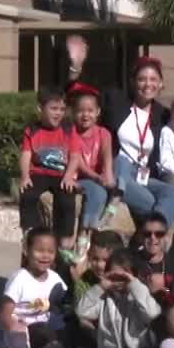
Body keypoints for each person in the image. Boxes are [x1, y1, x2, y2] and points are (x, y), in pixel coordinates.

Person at [69, 246, 162, 348]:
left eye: (123, 277)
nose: (118, 281)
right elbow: (82, 311)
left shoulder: (140, 298)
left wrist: (133, 284)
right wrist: (101, 286)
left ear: (134, 276)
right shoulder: (104, 299)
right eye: (114, 276)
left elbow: (153, 313)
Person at [103, 57, 174, 227]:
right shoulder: (117, 104)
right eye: (142, 79)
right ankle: (155, 226)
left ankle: (155, 229)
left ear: (160, 84)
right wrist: (74, 70)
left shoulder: (164, 115)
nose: (147, 84)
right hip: (118, 170)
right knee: (122, 163)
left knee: (173, 194)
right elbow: (82, 101)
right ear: (133, 82)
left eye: (153, 79)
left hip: (142, 176)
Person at [0, 227, 70, 348]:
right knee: (43, 331)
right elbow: (5, 314)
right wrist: (14, 328)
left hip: (44, 321)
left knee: (68, 327)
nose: (45, 255)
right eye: (39, 251)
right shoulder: (19, 279)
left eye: (50, 251)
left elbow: (62, 302)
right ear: (27, 251)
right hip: (23, 328)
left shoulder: (54, 278)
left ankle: (58, 347)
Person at [60, 87, 118, 246]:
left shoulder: (103, 133)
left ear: (98, 111)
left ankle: (114, 202)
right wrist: (96, 177)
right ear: (73, 112)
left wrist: (107, 174)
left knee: (120, 175)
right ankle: (86, 231)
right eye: (80, 111)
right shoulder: (70, 133)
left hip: (97, 176)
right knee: (97, 191)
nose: (85, 115)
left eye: (90, 110)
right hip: (80, 177)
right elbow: (77, 161)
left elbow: (107, 155)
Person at [17, 89, 77, 241]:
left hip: (60, 174)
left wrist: (69, 176)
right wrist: (25, 176)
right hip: (39, 172)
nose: (58, 113)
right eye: (53, 109)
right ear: (40, 109)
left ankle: (66, 238)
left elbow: (75, 156)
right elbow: (26, 154)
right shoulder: (32, 130)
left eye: (62, 109)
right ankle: (31, 232)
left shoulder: (69, 130)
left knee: (67, 201)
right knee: (28, 195)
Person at [130, 213, 174, 302]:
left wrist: (163, 289)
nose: (153, 238)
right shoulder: (131, 261)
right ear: (140, 236)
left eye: (159, 234)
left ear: (166, 236)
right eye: (147, 234)